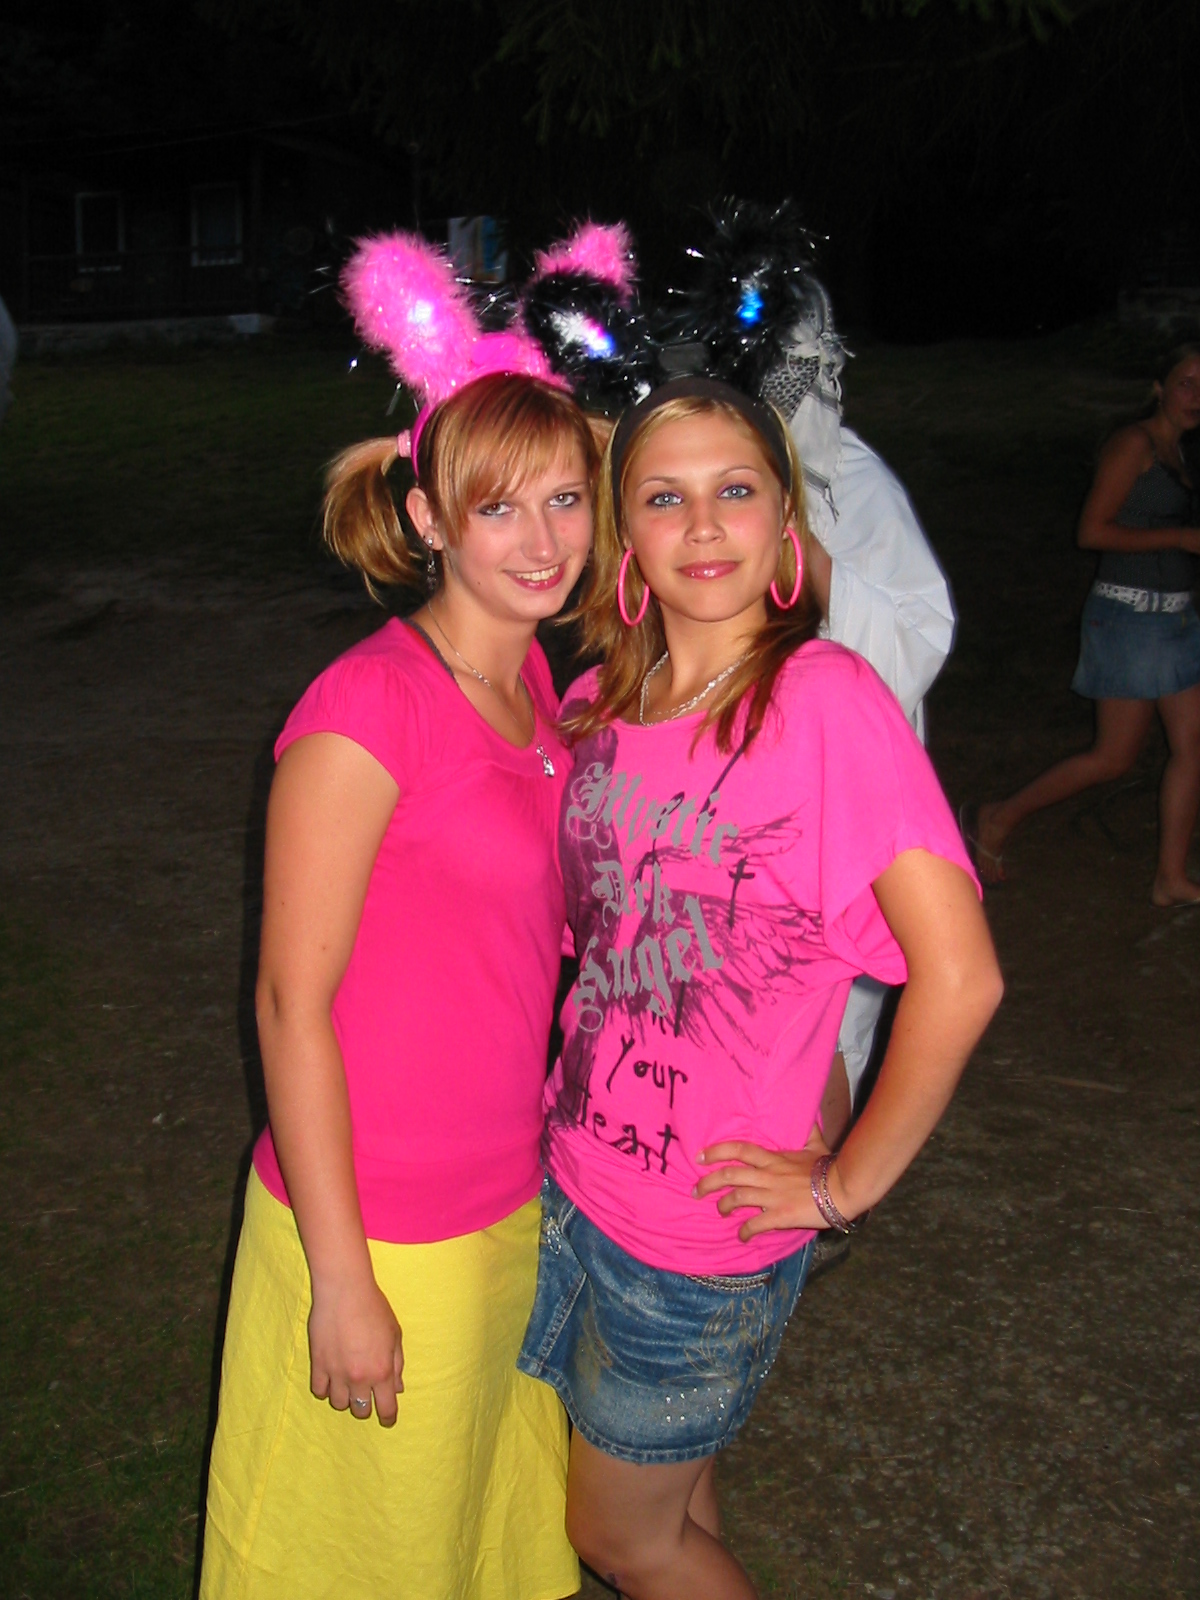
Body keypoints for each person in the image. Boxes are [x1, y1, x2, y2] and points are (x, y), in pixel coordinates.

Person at [515, 375, 1003, 1599]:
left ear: (788, 522)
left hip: (699, 1240)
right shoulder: (595, 707)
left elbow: (961, 977)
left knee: (621, 1539)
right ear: (623, 537)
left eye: (735, 490)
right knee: (673, 1500)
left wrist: (843, 1185)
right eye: (663, 498)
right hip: (571, 1180)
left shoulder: (824, 702)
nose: (703, 525)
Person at [200, 231, 598, 1600]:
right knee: (355, 1562)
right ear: (427, 517)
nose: (542, 541)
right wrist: (342, 1277)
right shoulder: (367, 707)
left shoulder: (540, 689)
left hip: (509, 1200)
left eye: (565, 498)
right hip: (381, 1223)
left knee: (480, 1541)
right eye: (499, 509)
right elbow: (287, 1003)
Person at [676, 203, 958, 1147]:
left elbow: (912, 643)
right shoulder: (700, 469)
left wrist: (796, 535)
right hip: (728, 794)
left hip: (832, 795)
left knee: (824, 1022)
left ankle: (819, 1191)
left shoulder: (853, 481)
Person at [965, 344, 1200, 906]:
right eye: (1186, 382)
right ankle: (997, 816)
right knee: (1113, 758)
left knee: (1194, 746)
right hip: (1129, 615)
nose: (1197, 396)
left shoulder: (1183, 451)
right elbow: (1091, 531)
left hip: (1176, 614)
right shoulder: (1135, 444)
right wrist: (1180, 538)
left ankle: (1169, 879)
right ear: (1159, 387)